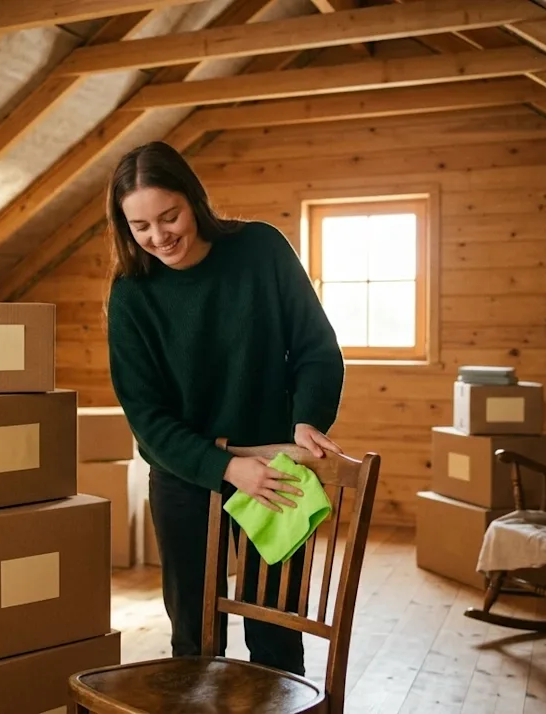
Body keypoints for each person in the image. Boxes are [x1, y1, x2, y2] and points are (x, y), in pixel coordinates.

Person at [104, 140, 345, 676]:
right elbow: (148, 418)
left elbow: (315, 347)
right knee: (194, 639)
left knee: (276, 632)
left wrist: (309, 419)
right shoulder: (131, 294)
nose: (159, 237)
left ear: (194, 200)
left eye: (169, 217)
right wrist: (229, 468)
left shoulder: (261, 249)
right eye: (140, 226)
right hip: (185, 474)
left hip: (277, 471)